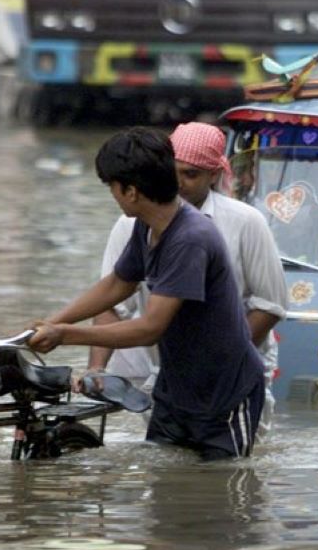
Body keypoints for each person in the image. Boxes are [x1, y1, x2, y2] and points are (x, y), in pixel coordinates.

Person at [27, 128, 265, 460]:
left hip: (224, 393)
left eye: (111, 186)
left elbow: (150, 327)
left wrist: (64, 335)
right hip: (176, 388)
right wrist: (47, 324)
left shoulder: (190, 238)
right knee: (164, 491)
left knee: (221, 493)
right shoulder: (148, 224)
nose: (112, 194)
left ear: (131, 191)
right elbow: (117, 285)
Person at [91, 122, 287, 435]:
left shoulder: (243, 222)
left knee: (228, 469)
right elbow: (112, 296)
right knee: (169, 471)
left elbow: (270, 304)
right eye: (174, 171)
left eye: (191, 174)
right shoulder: (132, 223)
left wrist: (216, 365)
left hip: (230, 375)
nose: (179, 182)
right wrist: (96, 368)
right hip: (166, 374)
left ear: (214, 175)